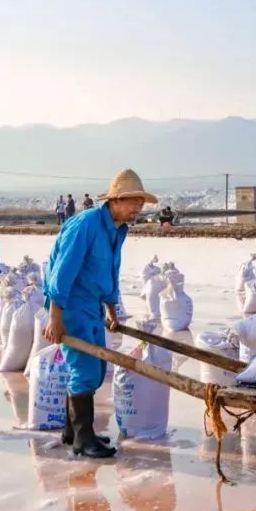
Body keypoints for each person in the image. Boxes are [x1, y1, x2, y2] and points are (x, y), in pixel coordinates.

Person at [44, 169, 156, 458]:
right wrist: (55, 316)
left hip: (91, 304)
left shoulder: (118, 228)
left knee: (96, 369)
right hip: (70, 304)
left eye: (140, 203)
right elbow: (62, 272)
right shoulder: (86, 225)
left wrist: (111, 309)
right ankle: (83, 439)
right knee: (85, 370)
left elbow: (109, 271)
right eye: (132, 201)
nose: (137, 208)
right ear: (115, 200)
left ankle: (73, 432)